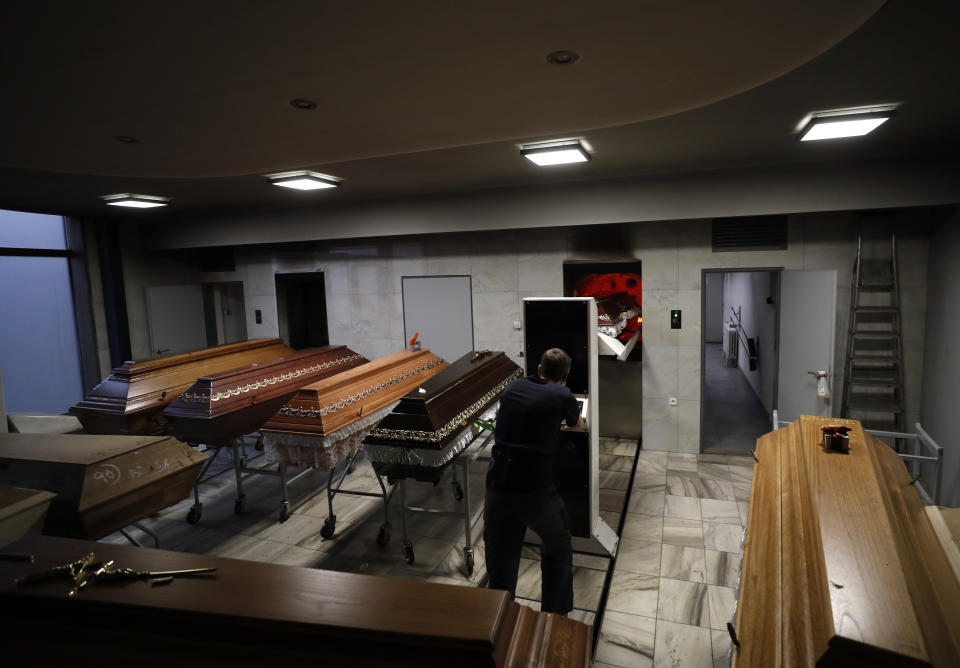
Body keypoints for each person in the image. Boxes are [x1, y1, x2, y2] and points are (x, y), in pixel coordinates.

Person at [484, 347, 584, 615]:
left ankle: (500, 618)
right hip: (535, 491)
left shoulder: (514, 387)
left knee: (501, 555)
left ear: (539, 370)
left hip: (497, 486)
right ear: (566, 374)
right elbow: (577, 423)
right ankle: (554, 615)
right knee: (558, 545)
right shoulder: (562, 394)